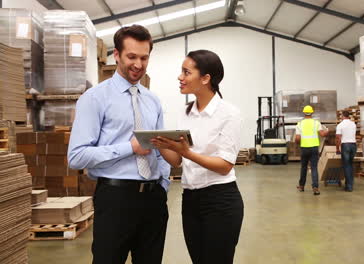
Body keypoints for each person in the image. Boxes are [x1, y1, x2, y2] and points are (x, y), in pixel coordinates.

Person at [67, 25, 170, 264]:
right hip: (116, 199)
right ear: (117, 55)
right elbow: (76, 157)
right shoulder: (94, 98)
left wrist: (163, 184)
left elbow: (161, 150)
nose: (138, 64)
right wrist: (129, 148)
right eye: (131, 56)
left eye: (144, 58)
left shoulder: (152, 101)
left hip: (154, 200)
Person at [151, 50, 244, 264]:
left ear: (205, 78)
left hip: (220, 200)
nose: (180, 77)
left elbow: (224, 166)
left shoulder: (229, 114)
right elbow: (176, 161)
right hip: (191, 200)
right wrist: (157, 143)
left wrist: (187, 153)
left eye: (186, 72)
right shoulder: (187, 112)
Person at [295, 105, 328, 195]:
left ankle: (301, 186)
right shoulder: (316, 123)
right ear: (312, 113)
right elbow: (322, 134)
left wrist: (298, 144)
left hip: (304, 148)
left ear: (304, 113)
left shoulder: (300, 124)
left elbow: (297, 139)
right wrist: (327, 131)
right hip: (314, 148)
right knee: (314, 168)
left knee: (303, 167)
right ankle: (315, 188)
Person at [336, 110, 357, 192]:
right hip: (353, 145)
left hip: (345, 145)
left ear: (342, 116)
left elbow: (338, 138)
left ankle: (349, 186)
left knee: (346, 165)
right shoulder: (353, 124)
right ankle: (350, 183)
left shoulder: (340, 125)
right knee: (351, 165)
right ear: (349, 116)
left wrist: (337, 148)